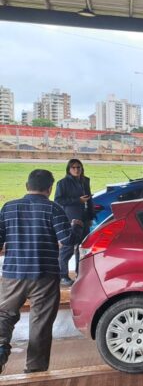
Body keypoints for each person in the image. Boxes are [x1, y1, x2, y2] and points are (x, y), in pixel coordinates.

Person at [0, 169, 83, 374]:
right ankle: (35, 369)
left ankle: (0, 347)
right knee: (40, 323)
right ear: (50, 188)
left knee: (5, 315)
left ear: (27, 186)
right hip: (44, 275)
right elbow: (67, 240)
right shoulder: (53, 208)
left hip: (13, 274)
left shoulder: (8, 208)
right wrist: (76, 226)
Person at [54, 159, 93, 286]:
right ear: (69, 169)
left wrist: (91, 216)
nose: (76, 170)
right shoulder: (63, 183)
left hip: (85, 218)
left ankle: (80, 274)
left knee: (82, 249)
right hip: (71, 219)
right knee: (67, 248)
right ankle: (63, 276)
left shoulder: (85, 180)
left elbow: (89, 200)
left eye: (78, 167)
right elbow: (58, 201)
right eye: (73, 167)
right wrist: (77, 200)